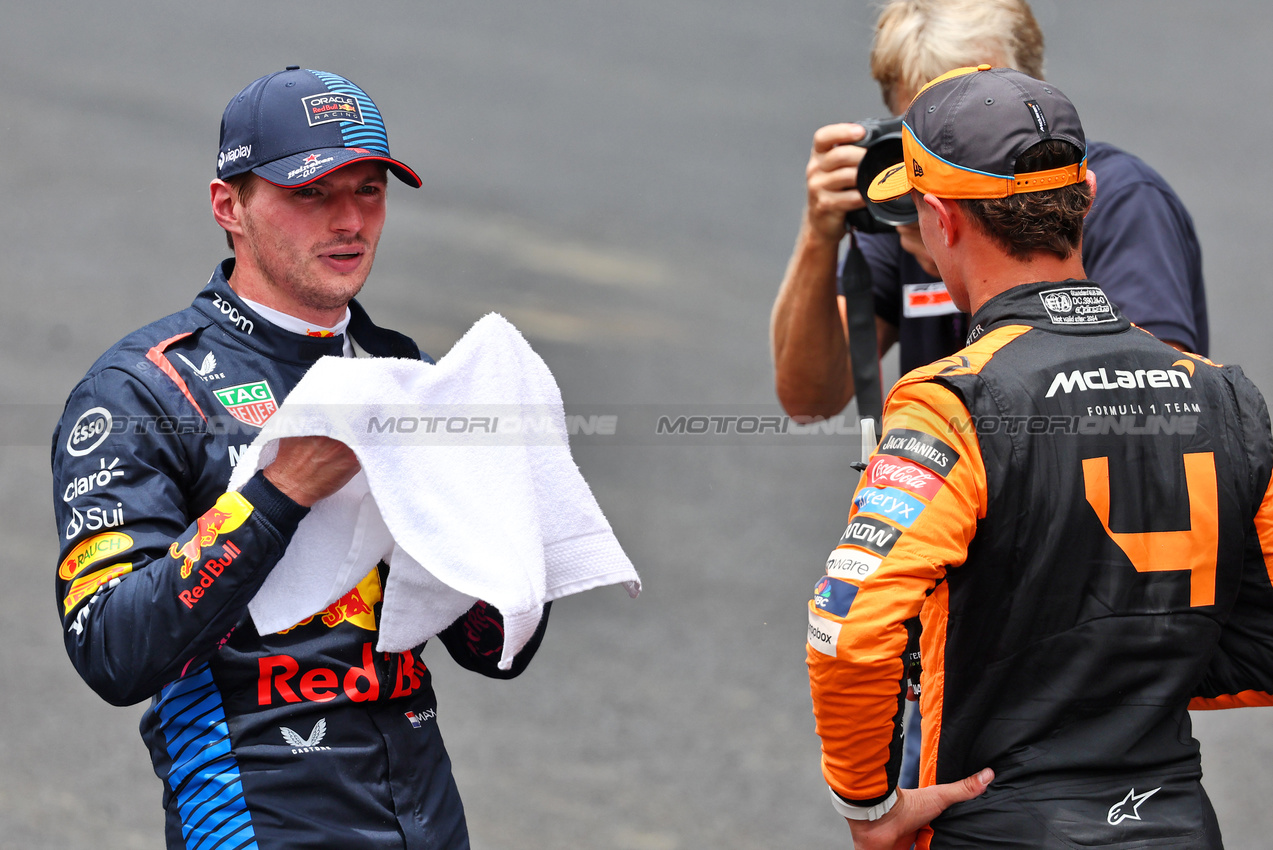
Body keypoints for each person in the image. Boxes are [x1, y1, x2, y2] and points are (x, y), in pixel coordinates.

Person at [52, 67, 549, 850]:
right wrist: (280, 490)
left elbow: (494, 650)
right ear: (230, 206)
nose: (349, 221)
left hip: (422, 807)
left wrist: (511, 502)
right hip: (257, 811)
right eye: (310, 194)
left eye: (368, 191)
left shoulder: (405, 373)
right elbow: (112, 650)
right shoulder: (143, 389)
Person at [805, 65, 1273, 850]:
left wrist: (869, 806)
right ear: (1084, 197)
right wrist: (1135, 671)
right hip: (1176, 823)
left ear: (939, 218)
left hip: (1004, 821)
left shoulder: (953, 401)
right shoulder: (1224, 396)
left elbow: (849, 627)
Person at [771, 0, 1208, 422]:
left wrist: (958, 247)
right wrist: (819, 233)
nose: (952, 137)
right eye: (928, 122)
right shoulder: (900, 200)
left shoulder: (1126, 199)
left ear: (1035, 94)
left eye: (983, 110)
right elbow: (810, 399)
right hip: (960, 483)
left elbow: (1160, 413)